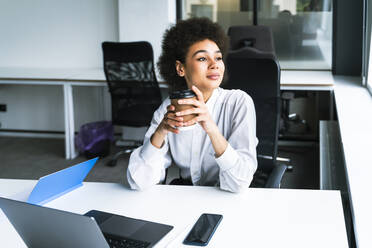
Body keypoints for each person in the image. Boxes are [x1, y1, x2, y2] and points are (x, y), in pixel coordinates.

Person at [127, 18, 258, 193]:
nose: (214, 65)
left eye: (218, 58)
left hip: (227, 199)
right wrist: (160, 132)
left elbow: (240, 183)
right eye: (203, 58)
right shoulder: (168, 110)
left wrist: (211, 129)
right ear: (181, 68)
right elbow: (139, 181)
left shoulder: (239, 103)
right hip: (186, 200)